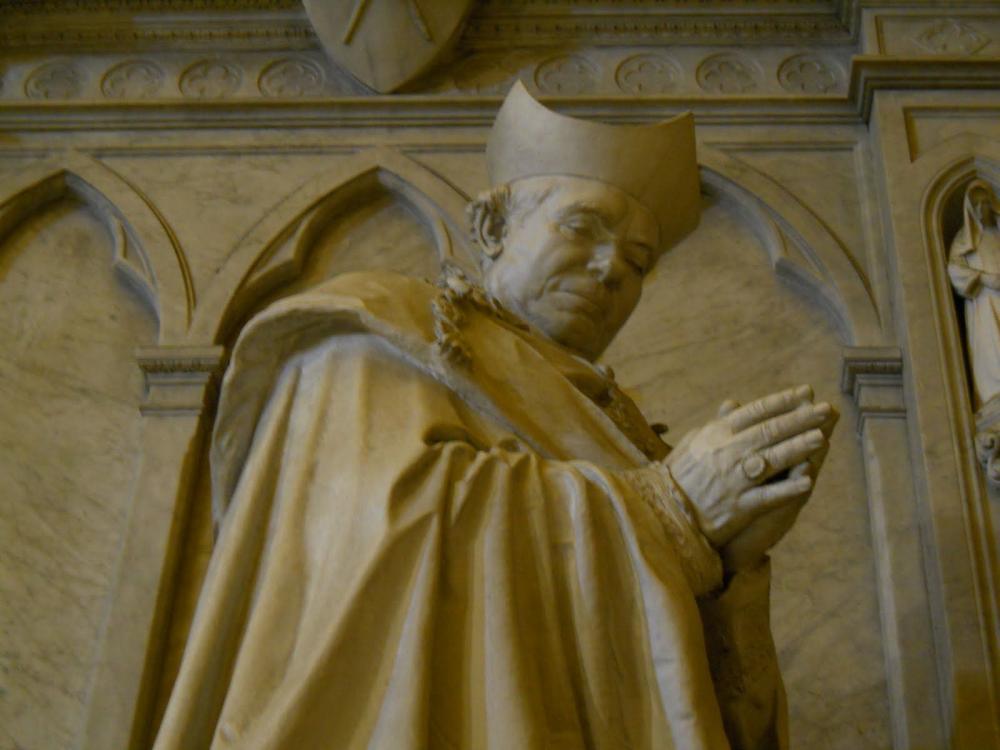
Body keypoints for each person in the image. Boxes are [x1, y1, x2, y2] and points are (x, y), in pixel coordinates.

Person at [153, 82, 835, 750]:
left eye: (638, 260)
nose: (609, 271)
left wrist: (724, 571)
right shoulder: (380, 329)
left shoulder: (621, 423)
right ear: (492, 226)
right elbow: (384, 532)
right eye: (583, 226)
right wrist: (663, 512)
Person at [949, 179, 1000, 409]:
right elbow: (955, 269)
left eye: (984, 202)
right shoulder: (964, 238)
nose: (981, 208)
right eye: (976, 204)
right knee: (992, 348)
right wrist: (984, 278)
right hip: (984, 301)